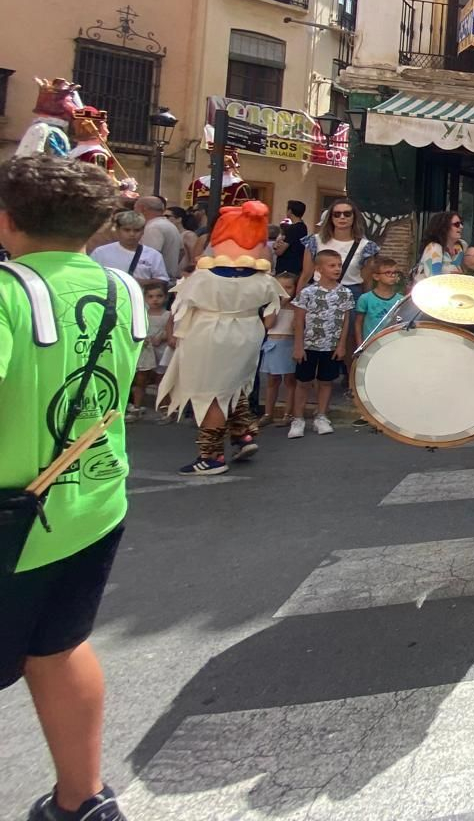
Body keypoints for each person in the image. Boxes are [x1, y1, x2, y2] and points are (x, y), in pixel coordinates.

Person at [0, 157, 147, 821]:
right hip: (94, 501)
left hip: (14, 516)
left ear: (8, 220)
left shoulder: (9, 293)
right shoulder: (123, 289)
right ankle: (82, 798)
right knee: (58, 647)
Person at [157, 201, 287, 475]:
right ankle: (242, 433)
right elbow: (272, 308)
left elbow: (182, 309)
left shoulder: (203, 278)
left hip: (210, 335)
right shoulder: (263, 280)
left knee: (210, 394)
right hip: (248, 333)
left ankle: (212, 455)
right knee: (236, 383)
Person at [289, 249, 354, 438]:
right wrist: (298, 346)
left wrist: (341, 345)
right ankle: (298, 418)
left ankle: (321, 416)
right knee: (303, 382)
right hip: (309, 346)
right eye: (332, 265)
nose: (337, 269)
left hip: (331, 346)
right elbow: (299, 320)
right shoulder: (308, 292)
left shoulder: (345, 293)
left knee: (326, 382)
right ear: (319, 268)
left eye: (339, 265)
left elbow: (345, 321)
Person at [296, 198, 378, 294]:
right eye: (337, 214)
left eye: (347, 214)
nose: (342, 217)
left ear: (354, 217)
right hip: (320, 292)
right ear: (331, 217)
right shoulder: (315, 241)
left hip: (351, 292)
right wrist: (297, 297)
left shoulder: (366, 246)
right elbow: (306, 274)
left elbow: (367, 280)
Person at [259, 272, 299, 425]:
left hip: (289, 344)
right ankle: (268, 413)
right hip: (274, 344)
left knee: (290, 380)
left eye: (288, 287)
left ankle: (288, 414)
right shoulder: (271, 306)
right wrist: (279, 305)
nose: (284, 291)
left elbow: (296, 327)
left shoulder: (297, 307)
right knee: (272, 380)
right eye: (280, 288)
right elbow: (269, 324)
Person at [129, 282, 172, 420]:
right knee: (140, 380)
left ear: (165, 297)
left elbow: (170, 330)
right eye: (151, 296)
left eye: (159, 296)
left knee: (161, 381)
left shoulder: (168, 315)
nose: (155, 299)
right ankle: (136, 407)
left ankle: (165, 409)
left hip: (161, 352)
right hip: (145, 352)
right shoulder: (142, 315)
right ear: (145, 298)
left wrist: (162, 337)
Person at [89, 211, 167, 284]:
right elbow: (90, 276)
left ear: (143, 231)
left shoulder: (153, 255)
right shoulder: (100, 252)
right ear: (118, 230)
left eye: (137, 230)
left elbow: (162, 280)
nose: (132, 234)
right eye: (127, 230)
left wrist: (138, 282)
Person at [352, 257, 405, 347]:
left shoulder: (401, 299)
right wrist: (360, 344)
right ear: (376, 276)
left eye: (395, 272)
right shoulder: (365, 298)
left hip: (392, 343)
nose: (392, 276)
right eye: (388, 272)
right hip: (370, 344)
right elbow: (358, 323)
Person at [133, 196, 183, 282]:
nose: (134, 212)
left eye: (135, 208)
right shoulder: (169, 225)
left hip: (152, 282)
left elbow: (149, 257)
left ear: (143, 209)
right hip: (166, 278)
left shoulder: (153, 228)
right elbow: (182, 251)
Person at [413, 211, 468, 279]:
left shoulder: (461, 246)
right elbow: (433, 278)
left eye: (461, 223)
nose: (461, 227)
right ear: (444, 227)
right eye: (457, 224)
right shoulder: (434, 248)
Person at [274, 200, 308, 280]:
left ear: (290, 211)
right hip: (297, 266)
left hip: (286, 268)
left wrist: (276, 246)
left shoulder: (292, 229)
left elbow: (280, 251)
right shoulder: (303, 227)